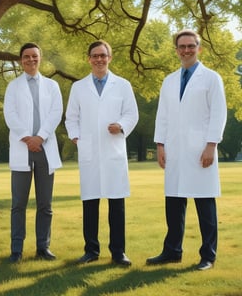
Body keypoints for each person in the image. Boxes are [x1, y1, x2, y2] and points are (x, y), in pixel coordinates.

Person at [146, 29, 227, 271]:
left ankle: (208, 256)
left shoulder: (211, 78)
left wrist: (211, 145)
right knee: (174, 203)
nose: (186, 50)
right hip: (174, 150)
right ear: (176, 50)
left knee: (205, 204)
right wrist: (160, 145)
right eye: (181, 46)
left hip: (201, 149)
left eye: (191, 46)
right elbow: (163, 115)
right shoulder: (169, 80)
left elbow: (218, 114)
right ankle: (172, 251)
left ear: (199, 48)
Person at [65, 40, 138, 266]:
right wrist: (77, 138)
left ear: (109, 58)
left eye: (103, 55)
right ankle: (91, 251)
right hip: (89, 151)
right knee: (90, 203)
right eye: (95, 55)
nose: (99, 59)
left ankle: (118, 252)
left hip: (113, 148)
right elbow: (71, 118)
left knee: (116, 204)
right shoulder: (79, 87)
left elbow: (132, 114)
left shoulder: (123, 85)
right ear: (89, 59)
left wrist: (121, 125)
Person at [3, 43, 63, 263]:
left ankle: (43, 247)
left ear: (40, 58)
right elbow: (10, 114)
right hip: (23, 148)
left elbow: (56, 113)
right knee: (18, 203)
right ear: (21, 60)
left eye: (34, 56)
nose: (30, 60)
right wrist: (28, 138)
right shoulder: (13, 86)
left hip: (45, 148)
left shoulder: (52, 86)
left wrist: (41, 136)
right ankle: (16, 249)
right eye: (26, 57)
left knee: (45, 204)